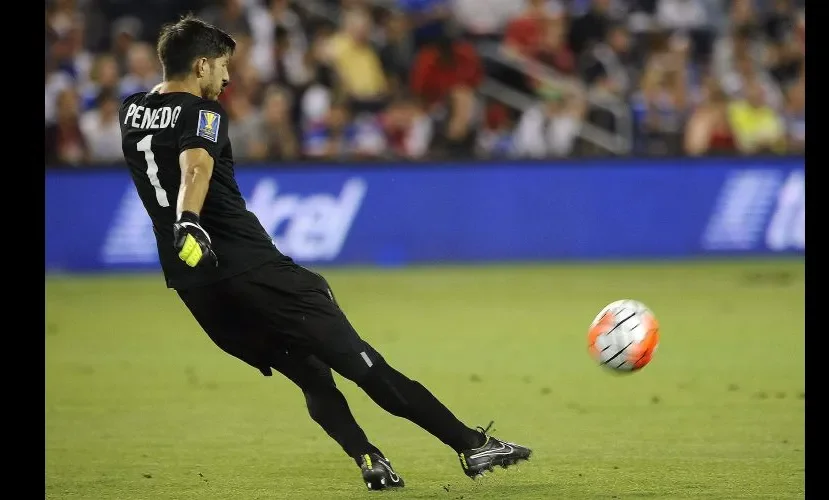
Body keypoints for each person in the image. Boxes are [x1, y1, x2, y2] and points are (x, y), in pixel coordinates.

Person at [118, 16, 531, 491]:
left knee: (311, 376)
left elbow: (170, 152)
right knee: (363, 365)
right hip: (255, 270)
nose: (228, 79)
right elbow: (196, 168)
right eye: (224, 67)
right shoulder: (204, 114)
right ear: (202, 64)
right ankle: (469, 444)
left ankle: (370, 459)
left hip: (196, 288)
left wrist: (182, 230)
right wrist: (190, 220)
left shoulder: (131, 111)